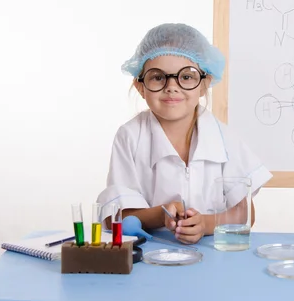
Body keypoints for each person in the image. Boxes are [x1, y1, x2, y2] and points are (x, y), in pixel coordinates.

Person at [96, 23, 272, 244]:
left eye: (186, 77)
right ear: (141, 87)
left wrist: (206, 224)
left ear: (204, 84)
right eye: (158, 77)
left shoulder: (224, 138)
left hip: (214, 254)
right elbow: (116, 215)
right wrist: (161, 215)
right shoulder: (130, 137)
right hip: (152, 253)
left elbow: (245, 213)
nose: (172, 86)